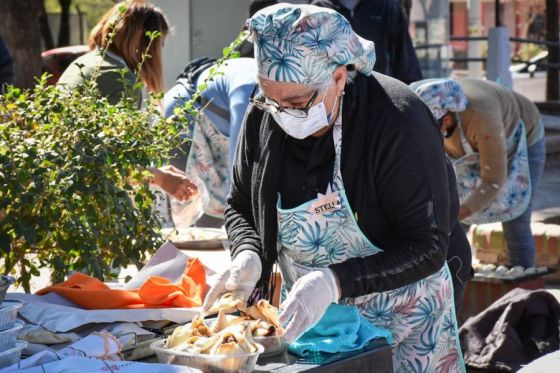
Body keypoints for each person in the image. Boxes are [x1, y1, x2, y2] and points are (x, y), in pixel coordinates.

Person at [203, 4, 466, 371]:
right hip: (319, 327)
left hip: (409, 322)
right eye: (271, 99)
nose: (283, 114)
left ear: (339, 77)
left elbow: (429, 244)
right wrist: (248, 254)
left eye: (297, 102)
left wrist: (334, 281)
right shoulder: (263, 116)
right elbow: (241, 206)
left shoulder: (397, 120)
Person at [58, 1, 197, 202]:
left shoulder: (85, 62)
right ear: (144, 41)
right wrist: (161, 178)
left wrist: (157, 172)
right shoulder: (120, 78)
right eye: (160, 45)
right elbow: (112, 167)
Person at [411, 78, 546, 268]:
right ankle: (450, 276)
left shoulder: (482, 117)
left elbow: (493, 181)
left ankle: (525, 285)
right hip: (475, 145)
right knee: (452, 224)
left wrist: (453, 215)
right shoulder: (425, 106)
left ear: (447, 119)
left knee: (515, 223)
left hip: (519, 139)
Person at [162, 58, 258, 223]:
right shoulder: (249, 92)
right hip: (183, 113)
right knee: (190, 204)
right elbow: (239, 170)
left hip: (218, 126)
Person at [311, 0, 423, 84]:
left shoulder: (387, 6)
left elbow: (406, 63)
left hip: (380, 99)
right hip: (333, 101)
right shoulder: (318, 9)